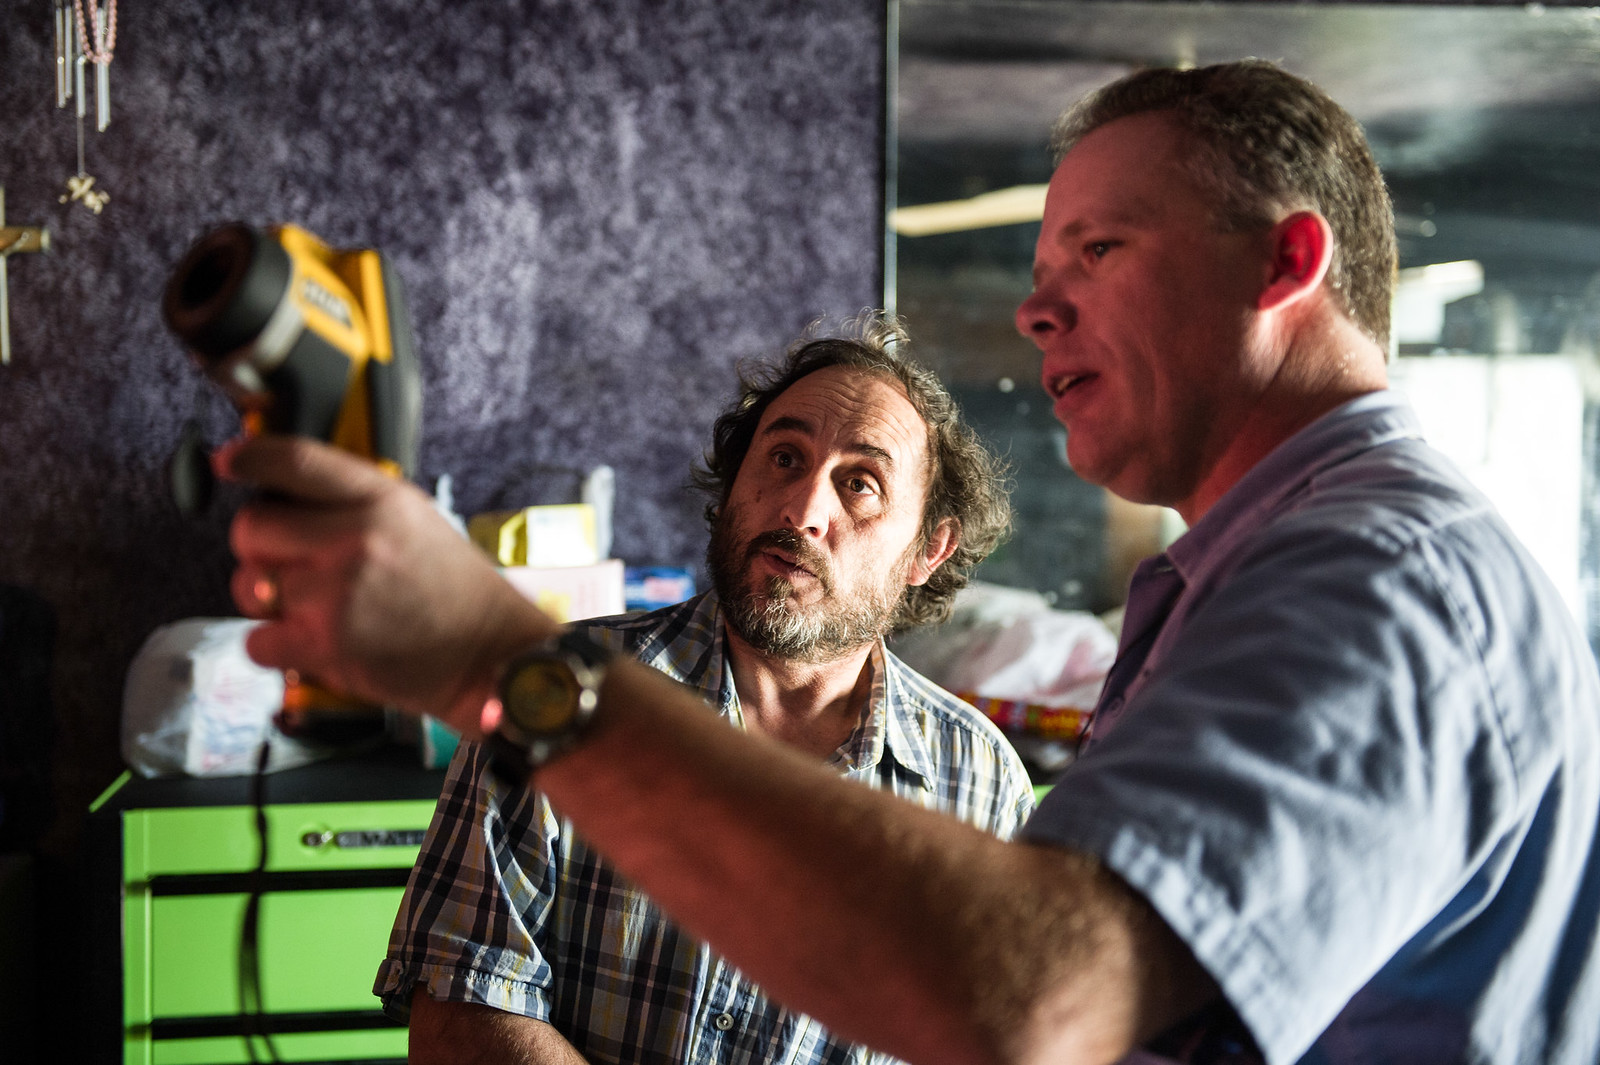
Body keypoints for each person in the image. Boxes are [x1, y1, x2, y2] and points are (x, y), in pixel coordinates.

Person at [220, 60, 1600, 1065]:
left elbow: (1032, 1006)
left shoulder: (1374, 575)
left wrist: (495, 655)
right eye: (783, 456)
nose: (1033, 300)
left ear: (1284, 263)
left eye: (1098, 247)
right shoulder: (1245, 574)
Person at [373, 315, 1036, 1064]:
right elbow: (459, 1017)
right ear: (733, 484)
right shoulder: (558, 691)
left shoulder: (981, 787)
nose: (802, 510)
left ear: (927, 549)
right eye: (784, 457)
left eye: (860, 484)